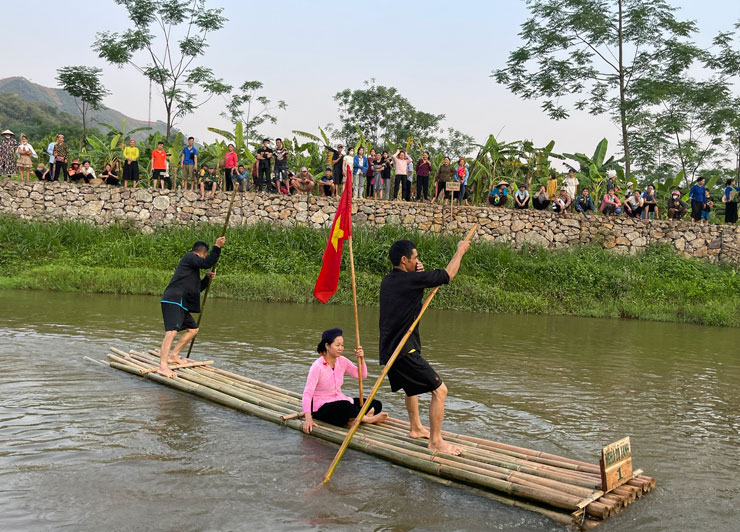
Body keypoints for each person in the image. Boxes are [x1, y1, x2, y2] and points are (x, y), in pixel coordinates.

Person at [379, 238, 470, 455]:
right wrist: (460, 251)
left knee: (412, 388)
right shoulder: (409, 281)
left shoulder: (389, 280)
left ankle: (416, 428)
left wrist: (417, 272)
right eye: (415, 257)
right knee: (440, 391)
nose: (418, 260)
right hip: (404, 350)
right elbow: (447, 275)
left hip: (390, 350)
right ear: (404, 260)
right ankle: (436, 441)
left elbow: (414, 284)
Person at [158, 237, 225, 378]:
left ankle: (173, 356)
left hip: (181, 303)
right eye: (205, 256)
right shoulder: (190, 257)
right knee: (171, 332)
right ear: (202, 253)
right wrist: (217, 247)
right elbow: (207, 263)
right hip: (173, 301)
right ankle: (163, 366)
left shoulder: (191, 271)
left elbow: (197, 289)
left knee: (193, 329)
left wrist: (207, 278)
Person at [302, 329, 387, 433]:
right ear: (327, 346)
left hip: (340, 399)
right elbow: (307, 393)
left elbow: (362, 375)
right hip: (321, 407)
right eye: (337, 345)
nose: (341, 348)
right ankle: (367, 419)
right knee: (345, 407)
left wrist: (361, 358)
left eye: (342, 345)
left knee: (375, 404)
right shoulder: (317, 366)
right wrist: (308, 419)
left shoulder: (342, 361)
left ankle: (352, 419)